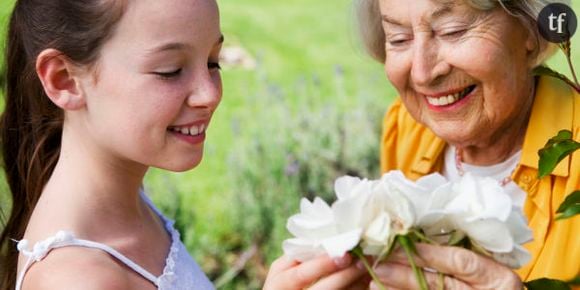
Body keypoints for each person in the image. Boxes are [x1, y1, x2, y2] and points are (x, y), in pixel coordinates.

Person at [353, 0, 579, 288]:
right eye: (399, 38)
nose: (422, 73)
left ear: (529, 28)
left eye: (453, 31)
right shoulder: (406, 129)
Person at [0, 0, 224, 289]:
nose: (209, 94)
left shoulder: (125, 203)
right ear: (64, 79)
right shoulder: (76, 280)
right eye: (170, 70)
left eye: (212, 62)